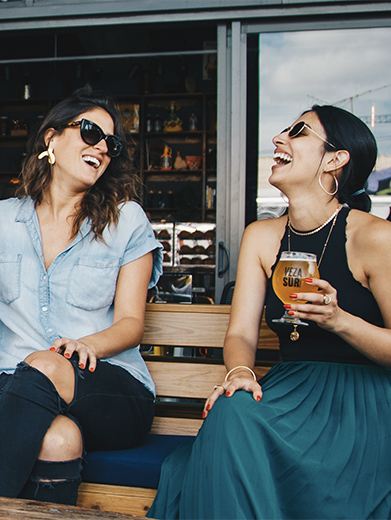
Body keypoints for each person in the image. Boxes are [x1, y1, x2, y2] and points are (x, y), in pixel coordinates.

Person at [148, 105, 391, 519]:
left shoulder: (374, 237)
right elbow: (241, 334)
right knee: (231, 408)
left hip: (360, 403)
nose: (279, 138)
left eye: (298, 132)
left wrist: (339, 320)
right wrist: (240, 372)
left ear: (334, 159)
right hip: (289, 390)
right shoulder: (261, 237)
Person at [0, 86, 162, 505]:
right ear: (51, 138)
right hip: (16, 389)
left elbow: (131, 324)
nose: (103, 147)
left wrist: (83, 345)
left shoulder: (126, 220)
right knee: (58, 439)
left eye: (112, 142)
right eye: (91, 132)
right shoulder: (2, 220)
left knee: (47, 364)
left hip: (107, 386)